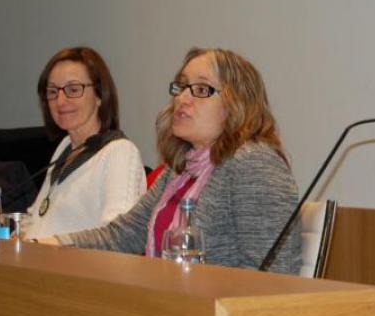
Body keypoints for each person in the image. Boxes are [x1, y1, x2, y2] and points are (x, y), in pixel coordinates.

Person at [36, 47, 300, 274]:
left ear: (236, 103)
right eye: (181, 87)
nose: (182, 98)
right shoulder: (180, 170)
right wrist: (49, 245)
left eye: (200, 89)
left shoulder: (254, 163)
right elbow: (123, 235)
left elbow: (272, 274)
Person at [24, 47, 146, 239]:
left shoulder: (120, 153)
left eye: (73, 89)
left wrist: (52, 245)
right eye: (52, 91)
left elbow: (120, 238)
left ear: (99, 95)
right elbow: (40, 218)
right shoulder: (66, 146)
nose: (61, 101)